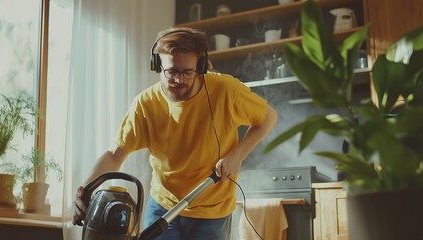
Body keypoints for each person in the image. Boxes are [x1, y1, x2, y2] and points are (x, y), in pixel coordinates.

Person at [73, 27, 278, 240]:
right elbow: (114, 155)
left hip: (212, 210)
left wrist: (237, 155)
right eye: (171, 72)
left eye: (188, 72)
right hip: (163, 207)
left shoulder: (226, 90)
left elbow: (268, 118)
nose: (179, 79)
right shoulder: (146, 105)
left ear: (200, 66)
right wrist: (85, 190)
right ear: (157, 65)